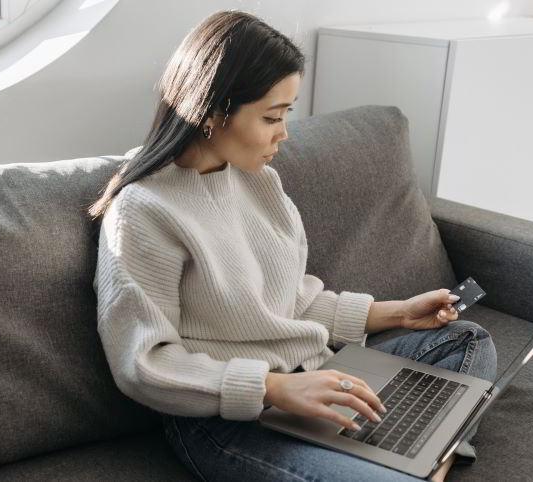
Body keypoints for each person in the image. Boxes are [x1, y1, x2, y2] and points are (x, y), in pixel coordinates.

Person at [88, 10, 497, 482]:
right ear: (212, 111)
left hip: (316, 378)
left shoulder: (261, 183)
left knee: (466, 340)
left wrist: (399, 313)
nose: (284, 133)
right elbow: (141, 363)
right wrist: (274, 388)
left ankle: (422, 454)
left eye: (286, 114)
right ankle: (429, 456)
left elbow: (292, 302)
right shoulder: (143, 210)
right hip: (227, 421)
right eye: (271, 117)